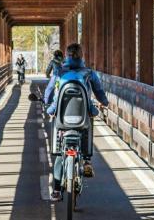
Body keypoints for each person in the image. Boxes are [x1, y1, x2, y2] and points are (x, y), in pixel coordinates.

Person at [44, 43, 109, 201]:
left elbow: (50, 90)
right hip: (82, 118)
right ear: (81, 55)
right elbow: (99, 91)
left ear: (66, 55)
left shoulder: (59, 72)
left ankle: (57, 190)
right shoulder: (88, 73)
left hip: (62, 119)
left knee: (60, 152)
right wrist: (105, 102)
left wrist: (47, 105)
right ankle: (87, 159)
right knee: (88, 121)